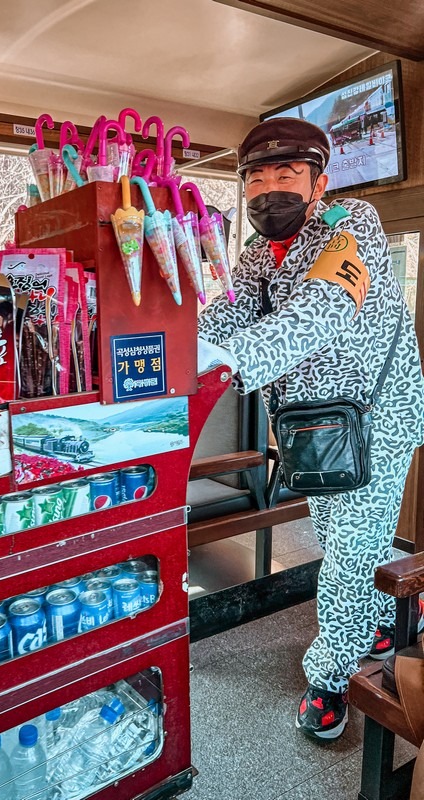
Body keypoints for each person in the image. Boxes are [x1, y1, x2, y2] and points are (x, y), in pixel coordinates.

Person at [197, 117, 424, 740]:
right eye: (257, 177)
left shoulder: (353, 226)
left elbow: (321, 308)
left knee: (348, 556)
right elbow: (229, 312)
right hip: (309, 427)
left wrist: (235, 358)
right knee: (344, 537)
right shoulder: (252, 255)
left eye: (288, 173)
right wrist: (182, 349)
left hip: (375, 420)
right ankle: (390, 612)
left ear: (319, 182)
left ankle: (329, 679)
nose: (271, 188)